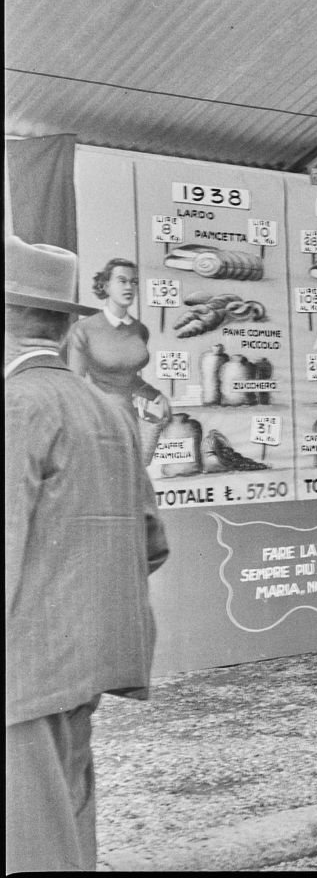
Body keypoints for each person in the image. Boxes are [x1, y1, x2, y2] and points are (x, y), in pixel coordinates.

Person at [6, 235, 169, 871]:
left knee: (29, 842)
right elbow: (150, 543)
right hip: (89, 660)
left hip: (24, 669)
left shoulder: (17, 406)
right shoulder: (107, 410)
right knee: (69, 824)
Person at [65, 256, 171, 462]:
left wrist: (155, 395)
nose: (129, 287)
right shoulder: (84, 329)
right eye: (122, 281)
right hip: (98, 420)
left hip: (129, 419)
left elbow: (127, 377)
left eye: (134, 282)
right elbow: (74, 385)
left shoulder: (140, 330)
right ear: (105, 285)